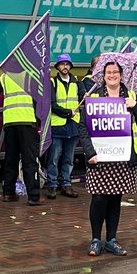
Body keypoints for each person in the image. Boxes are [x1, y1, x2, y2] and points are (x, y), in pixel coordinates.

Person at [79, 59, 137, 256]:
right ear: (103, 76)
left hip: (123, 158)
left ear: (121, 75)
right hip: (99, 158)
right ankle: (95, 239)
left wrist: (135, 106)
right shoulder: (94, 97)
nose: (112, 75)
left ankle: (111, 239)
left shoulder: (131, 96)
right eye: (108, 72)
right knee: (99, 199)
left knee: (115, 200)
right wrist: (90, 152)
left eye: (115, 72)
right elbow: (83, 127)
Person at [0, 72, 41, 205]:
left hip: (10, 122)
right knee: (29, 160)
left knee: (11, 158)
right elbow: (39, 98)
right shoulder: (31, 75)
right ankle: (33, 196)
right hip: (27, 120)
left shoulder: (4, 76)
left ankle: (8, 192)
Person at [46, 54, 83, 199]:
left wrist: (85, 97)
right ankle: (52, 185)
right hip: (58, 125)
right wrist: (68, 113)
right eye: (62, 64)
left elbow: (82, 100)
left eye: (67, 64)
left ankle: (66, 184)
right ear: (58, 67)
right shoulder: (52, 82)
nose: (65, 67)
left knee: (69, 158)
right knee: (54, 158)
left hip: (73, 126)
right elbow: (52, 105)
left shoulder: (77, 82)